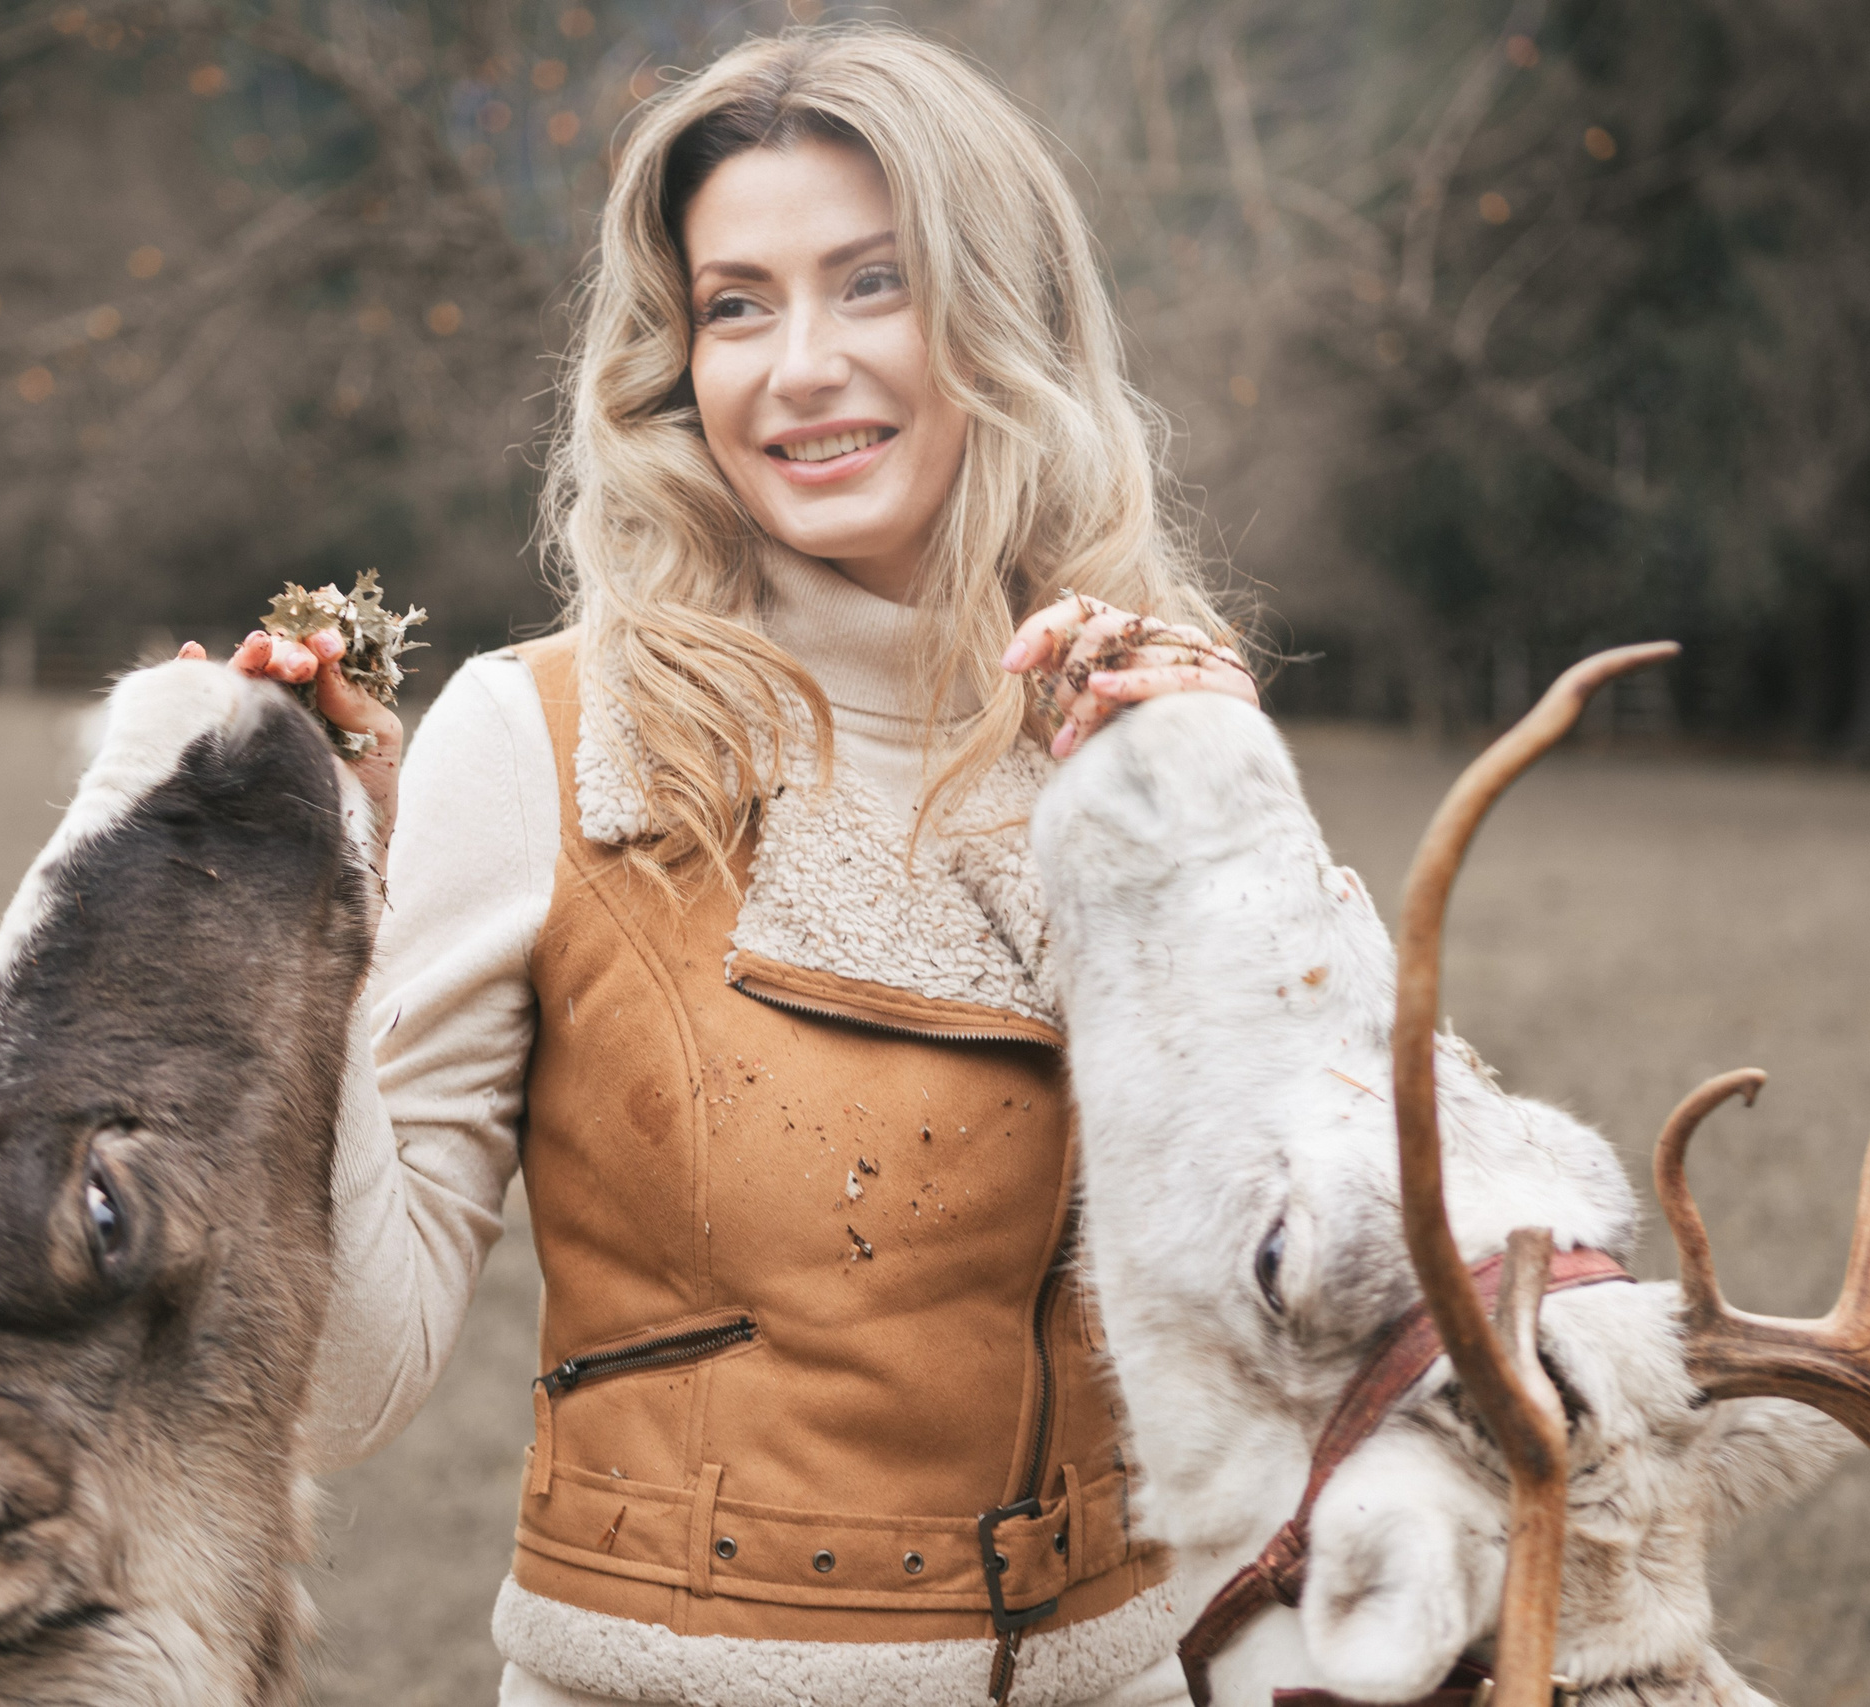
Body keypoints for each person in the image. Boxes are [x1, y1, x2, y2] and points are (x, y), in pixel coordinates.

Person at [212, 26, 1255, 1707]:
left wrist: (1246, 842)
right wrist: (304, 924)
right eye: (738, 306)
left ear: (1007, 313)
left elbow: (1311, 1296)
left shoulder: (1142, 719)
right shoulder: (548, 741)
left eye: (872, 283)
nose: (800, 368)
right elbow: (343, 1392)